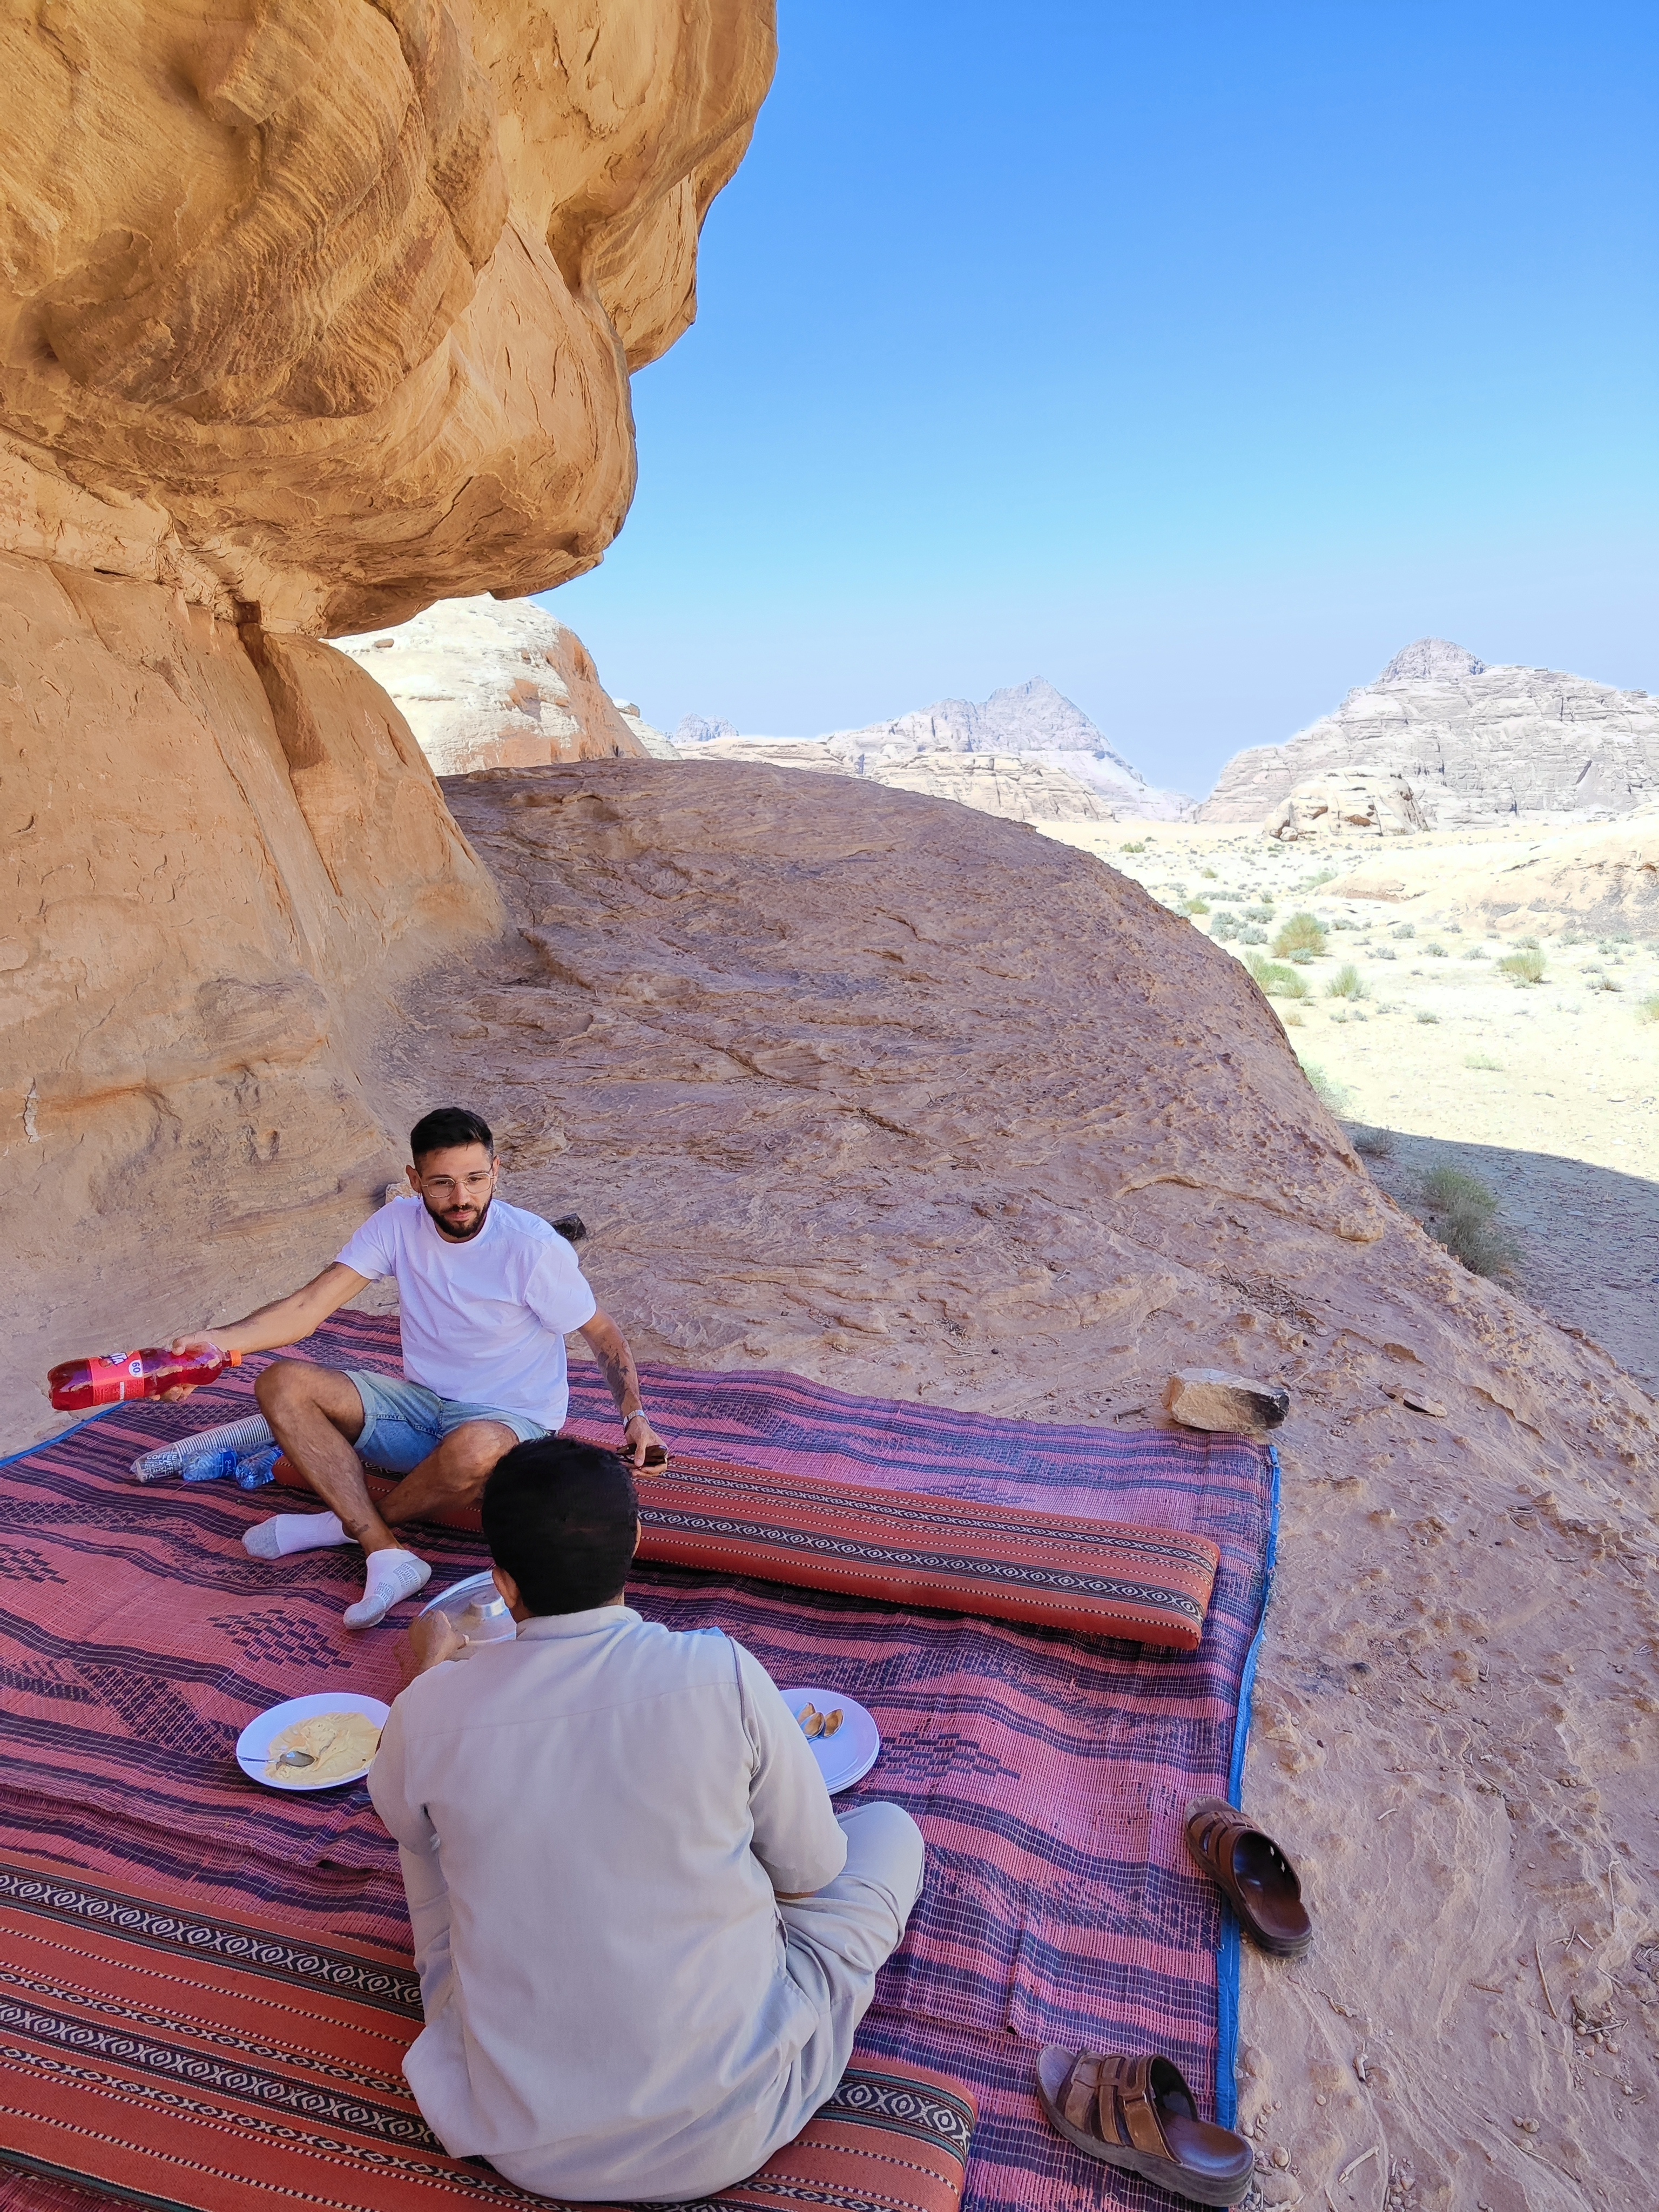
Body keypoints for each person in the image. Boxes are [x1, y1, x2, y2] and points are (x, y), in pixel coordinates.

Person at [370, 1438, 925, 2202]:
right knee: (891, 1829)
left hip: (521, 2138)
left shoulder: (426, 1712)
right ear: (635, 1542)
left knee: (428, 1836)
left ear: (500, 1583)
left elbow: (406, 1824)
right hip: (735, 2119)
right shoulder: (717, 1671)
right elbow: (813, 1874)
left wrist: (429, 1681)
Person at [166, 1106, 665, 1628]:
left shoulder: (534, 1248)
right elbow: (308, 1307)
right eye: (442, 1184)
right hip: (423, 1407)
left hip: (512, 1424)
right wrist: (219, 1343)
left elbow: (603, 1335)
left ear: (496, 1171)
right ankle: (385, 1551)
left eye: (475, 1179)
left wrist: (635, 1416)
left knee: (477, 1447)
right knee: (281, 1383)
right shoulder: (397, 1222)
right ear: (414, 1180)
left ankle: (342, 1525)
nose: (462, 1199)